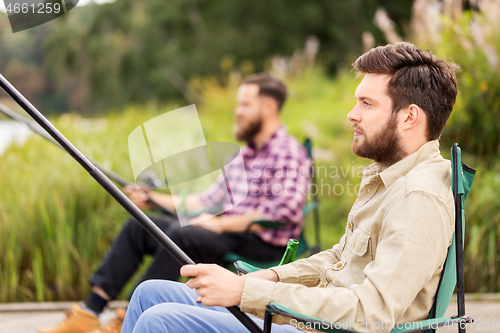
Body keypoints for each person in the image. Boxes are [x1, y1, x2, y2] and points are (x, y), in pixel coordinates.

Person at [121, 42, 460, 333]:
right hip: (311, 317)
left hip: (329, 326)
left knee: (161, 320)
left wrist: (245, 292)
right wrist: (267, 280)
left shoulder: (418, 197)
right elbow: (338, 259)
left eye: (367, 104)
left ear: (409, 117)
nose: (351, 114)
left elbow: (371, 313)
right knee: (150, 293)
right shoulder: (388, 179)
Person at [38, 73, 311, 333]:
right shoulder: (246, 154)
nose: (237, 111)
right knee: (140, 227)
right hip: (224, 232)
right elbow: (206, 200)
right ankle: (89, 311)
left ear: (269, 107)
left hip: (259, 245)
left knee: (182, 234)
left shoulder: (287, 152)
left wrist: (219, 224)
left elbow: (283, 212)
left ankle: (126, 317)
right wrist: (152, 199)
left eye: (245, 105)